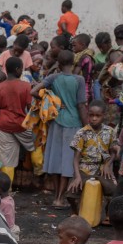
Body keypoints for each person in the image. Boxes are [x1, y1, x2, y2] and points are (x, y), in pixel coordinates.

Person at [36, 49, 88, 207]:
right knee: (68, 161)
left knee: (55, 159)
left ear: (58, 62)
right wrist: (87, 126)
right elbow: (81, 105)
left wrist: (54, 103)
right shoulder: (79, 79)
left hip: (56, 121)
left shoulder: (53, 77)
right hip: (74, 123)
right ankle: (60, 198)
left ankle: (56, 197)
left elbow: (34, 91)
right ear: (73, 63)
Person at [69, 99, 119, 213]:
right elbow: (76, 158)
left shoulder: (110, 132)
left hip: (102, 168)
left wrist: (108, 165)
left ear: (104, 116)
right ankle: (74, 212)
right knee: (71, 193)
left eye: (98, 116)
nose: (94, 118)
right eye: (91, 115)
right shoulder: (82, 133)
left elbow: (113, 151)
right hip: (84, 168)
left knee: (113, 190)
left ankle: (107, 213)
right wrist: (77, 176)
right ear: (88, 115)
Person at [0, 57, 34, 173]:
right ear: (17, 69)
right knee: (36, 144)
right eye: (22, 69)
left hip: (3, 124)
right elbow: (31, 108)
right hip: (22, 124)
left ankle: (7, 189)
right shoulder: (26, 86)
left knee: (6, 159)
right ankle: (40, 172)